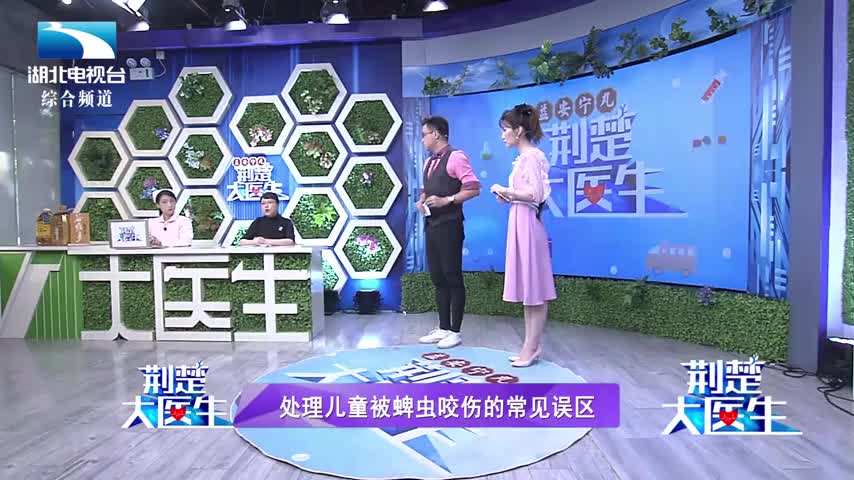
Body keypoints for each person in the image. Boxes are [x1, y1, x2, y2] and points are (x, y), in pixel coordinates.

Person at [490, 104, 557, 367]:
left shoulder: (531, 157)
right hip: (520, 220)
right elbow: (527, 194)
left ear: (518, 130)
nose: (502, 135)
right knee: (529, 289)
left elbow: (536, 195)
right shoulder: (524, 158)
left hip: (528, 224)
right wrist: (508, 196)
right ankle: (529, 346)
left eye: (505, 129)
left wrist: (508, 191)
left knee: (535, 289)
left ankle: (532, 347)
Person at [416, 116, 481, 348]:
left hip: (450, 225)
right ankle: (443, 327)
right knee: (438, 277)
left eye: (424, 134)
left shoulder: (456, 157)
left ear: (436, 134)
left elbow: (473, 188)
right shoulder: (428, 162)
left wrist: (448, 200)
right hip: (431, 224)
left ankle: (455, 331)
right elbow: (426, 188)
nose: (422, 139)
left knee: (452, 275)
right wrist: (422, 200)